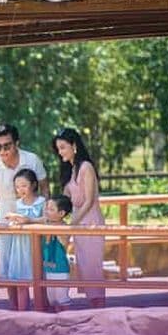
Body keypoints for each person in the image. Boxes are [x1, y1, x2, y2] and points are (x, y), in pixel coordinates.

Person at [0, 124, 48, 309]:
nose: (2, 151)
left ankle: (42, 307)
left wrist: (46, 215)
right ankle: (15, 311)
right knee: (9, 269)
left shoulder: (32, 160)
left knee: (38, 265)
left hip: (33, 220)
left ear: (16, 143)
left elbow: (45, 188)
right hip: (5, 223)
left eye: (7, 145)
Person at [52, 127, 106, 308]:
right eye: (58, 149)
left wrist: (71, 225)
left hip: (90, 222)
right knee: (84, 266)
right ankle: (95, 308)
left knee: (93, 268)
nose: (60, 152)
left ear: (74, 146)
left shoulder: (86, 167)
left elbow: (90, 201)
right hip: (78, 224)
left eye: (63, 147)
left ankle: (100, 311)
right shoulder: (71, 169)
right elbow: (65, 201)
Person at [4, 169, 45, 311]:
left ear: (33, 185)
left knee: (40, 280)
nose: (20, 189)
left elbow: (47, 219)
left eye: (24, 185)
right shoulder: (17, 204)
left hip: (36, 244)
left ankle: (42, 310)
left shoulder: (42, 202)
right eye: (17, 186)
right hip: (20, 245)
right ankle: (23, 313)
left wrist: (29, 220)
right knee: (21, 281)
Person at [42, 195, 73, 312]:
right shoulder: (45, 224)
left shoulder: (64, 227)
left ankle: (66, 321)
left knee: (62, 299)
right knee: (52, 299)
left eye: (51, 209)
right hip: (48, 268)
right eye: (47, 208)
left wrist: (52, 228)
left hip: (60, 269)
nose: (47, 212)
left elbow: (64, 241)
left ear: (61, 213)